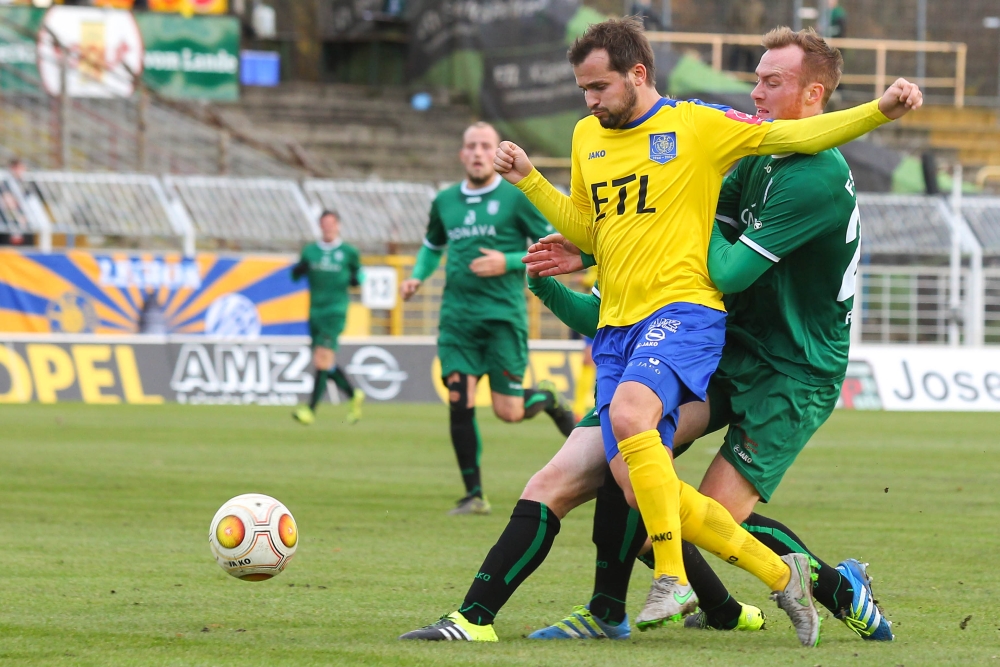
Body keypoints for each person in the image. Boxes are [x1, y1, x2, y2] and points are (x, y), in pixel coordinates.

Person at [493, 16, 919, 637]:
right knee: (635, 451)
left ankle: (833, 584)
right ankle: (610, 609)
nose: (755, 94)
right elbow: (665, 212)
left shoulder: (814, 177)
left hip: (792, 367)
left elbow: (724, 269)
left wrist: (879, 111)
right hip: (733, 342)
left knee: (714, 511)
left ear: (813, 96)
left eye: (773, 82)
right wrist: (588, 253)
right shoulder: (758, 157)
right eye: (756, 79)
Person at [399, 122, 576, 516]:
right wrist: (416, 276)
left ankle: (546, 396)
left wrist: (508, 261)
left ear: (496, 152)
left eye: (485, 146)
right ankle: (474, 494)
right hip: (457, 320)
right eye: (471, 146)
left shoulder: (515, 199)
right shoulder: (444, 201)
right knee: (459, 399)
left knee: (508, 412)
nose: (478, 152)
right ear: (462, 154)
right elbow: (432, 247)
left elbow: (553, 245)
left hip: (502, 318)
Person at [291, 210, 366, 425]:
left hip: (335, 311)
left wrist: (356, 279)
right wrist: (299, 269)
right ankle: (353, 395)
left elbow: (360, 274)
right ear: (320, 226)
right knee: (323, 361)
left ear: (338, 226)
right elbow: (295, 276)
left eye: (331, 224)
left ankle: (311, 409)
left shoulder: (348, 252)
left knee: (322, 358)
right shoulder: (311, 251)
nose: (328, 228)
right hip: (315, 311)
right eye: (324, 224)